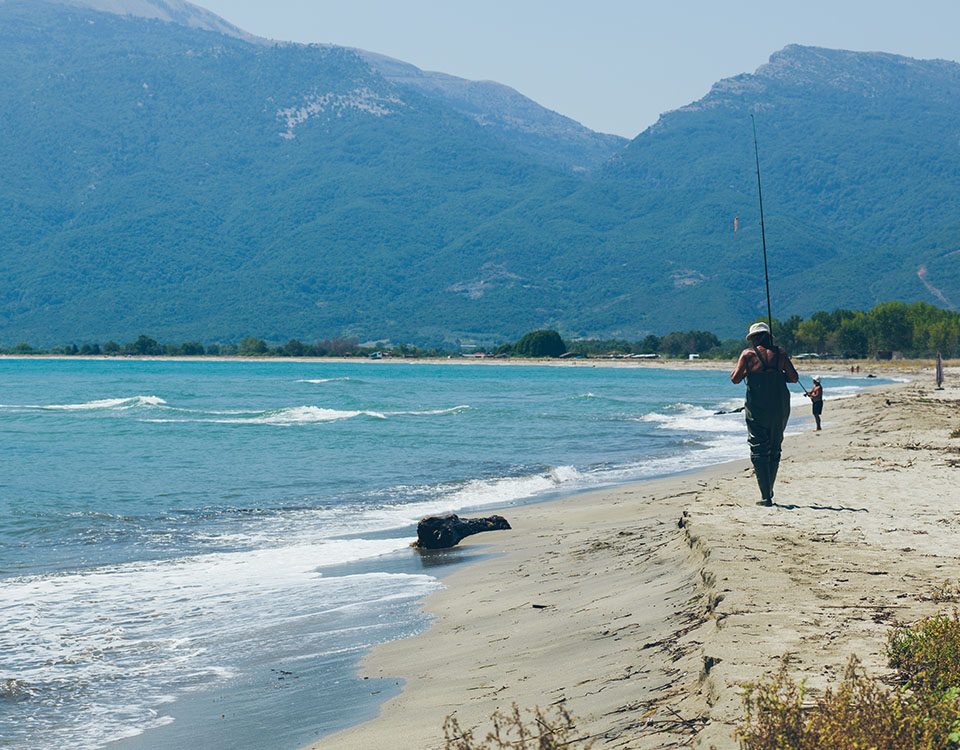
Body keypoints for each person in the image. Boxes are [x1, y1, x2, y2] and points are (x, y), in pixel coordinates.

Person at [730, 322, 799, 506]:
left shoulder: (748, 354)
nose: (752, 341)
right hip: (779, 405)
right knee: (775, 446)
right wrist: (776, 374)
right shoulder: (780, 354)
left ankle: (765, 496)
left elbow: (735, 379)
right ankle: (768, 489)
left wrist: (748, 372)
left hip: (757, 406)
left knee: (758, 447)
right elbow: (794, 378)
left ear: (757, 337)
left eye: (753, 338)